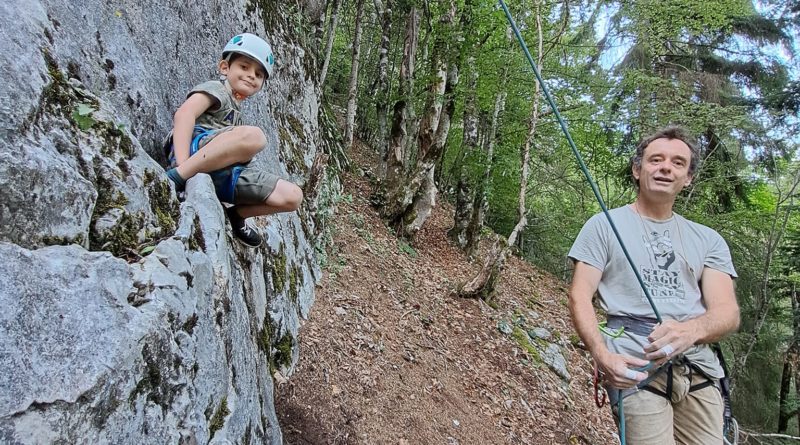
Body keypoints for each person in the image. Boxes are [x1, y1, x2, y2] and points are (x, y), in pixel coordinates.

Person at [567, 126, 740, 444]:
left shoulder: (707, 239)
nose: (665, 168)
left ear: (687, 177)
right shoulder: (604, 226)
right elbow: (580, 295)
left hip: (698, 366)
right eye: (655, 159)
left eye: (677, 163)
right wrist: (602, 355)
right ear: (637, 169)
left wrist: (691, 331)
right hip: (634, 366)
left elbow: (727, 312)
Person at [163, 33, 303, 247]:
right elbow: (184, 115)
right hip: (193, 152)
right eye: (244, 67)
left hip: (223, 172)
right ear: (225, 68)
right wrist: (182, 168)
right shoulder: (216, 90)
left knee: (293, 196)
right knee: (255, 137)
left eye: (258, 74)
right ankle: (178, 177)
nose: (251, 76)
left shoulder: (236, 110)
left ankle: (237, 215)